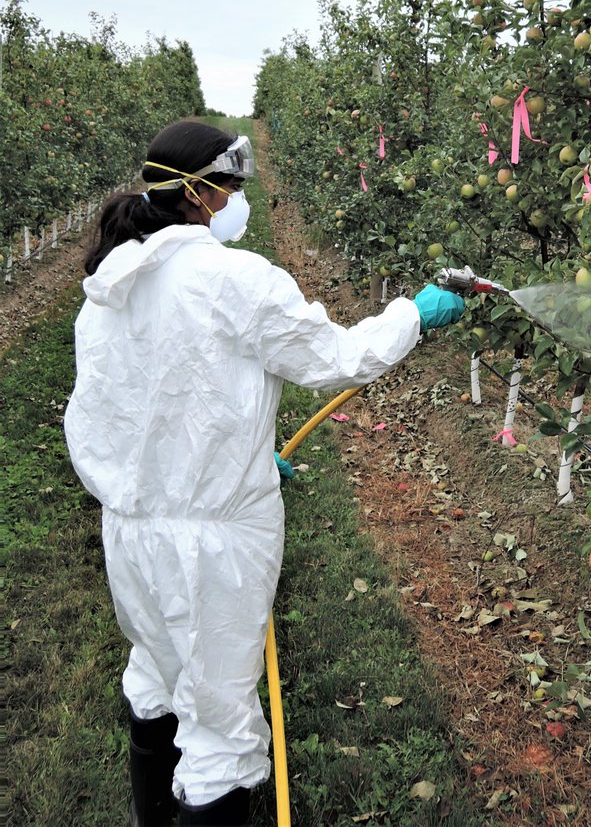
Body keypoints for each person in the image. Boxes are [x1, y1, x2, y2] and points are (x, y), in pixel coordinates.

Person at [63, 120, 465, 827]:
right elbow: (336, 360)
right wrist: (413, 315)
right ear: (202, 195)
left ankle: (150, 811)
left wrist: (231, 453)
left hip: (130, 532)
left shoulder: (110, 285)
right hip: (211, 547)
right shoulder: (232, 278)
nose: (238, 197)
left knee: (155, 672)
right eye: (233, 185)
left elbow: (129, 409)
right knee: (221, 730)